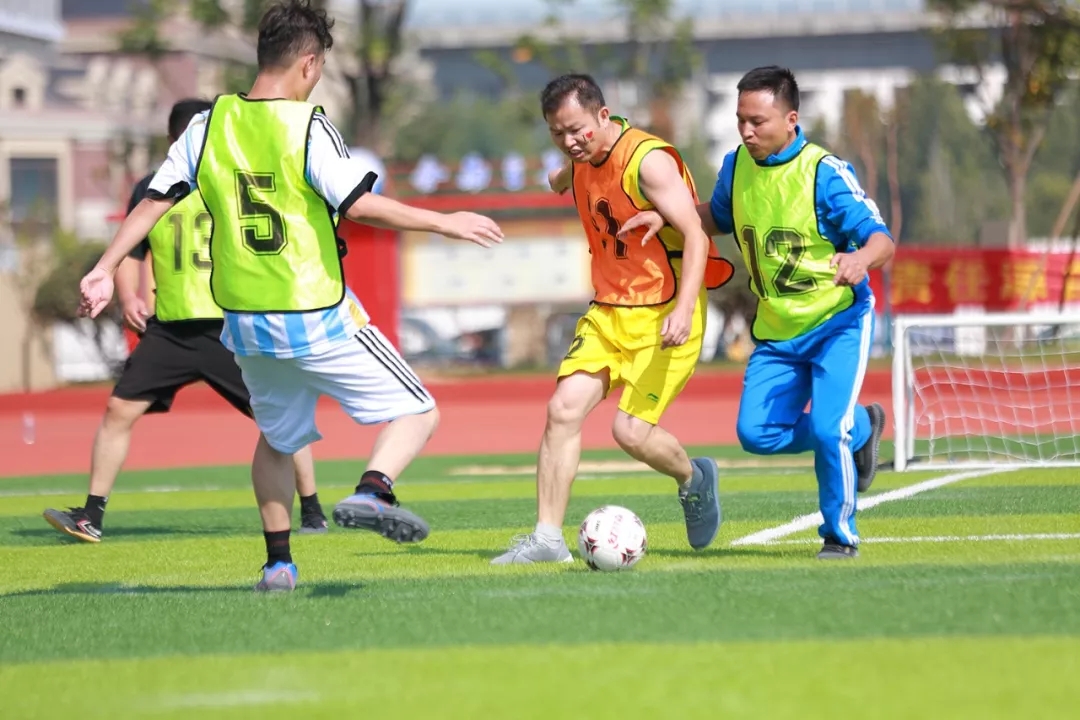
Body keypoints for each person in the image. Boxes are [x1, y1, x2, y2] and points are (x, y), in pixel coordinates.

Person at [76, 0, 503, 591]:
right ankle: (374, 490)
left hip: (245, 325)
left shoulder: (208, 125)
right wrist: (444, 221)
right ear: (309, 63)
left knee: (277, 441)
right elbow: (359, 204)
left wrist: (105, 268)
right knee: (418, 410)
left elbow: (153, 200)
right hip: (314, 314)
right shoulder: (307, 126)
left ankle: (278, 564)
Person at [619, 66, 892, 560]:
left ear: (791, 119)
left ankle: (839, 535)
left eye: (757, 122)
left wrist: (860, 259)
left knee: (828, 430)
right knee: (757, 434)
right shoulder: (737, 165)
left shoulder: (824, 173)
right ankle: (862, 426)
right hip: (777, 332)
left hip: (837, 323)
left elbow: (881, 239)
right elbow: (715, 216)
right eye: (740, 120)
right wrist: (668, 216)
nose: (746, 131)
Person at [44, 98, 328, 545]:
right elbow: (133, 250)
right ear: (177, 139)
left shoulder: (230, 174)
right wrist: (129, 295)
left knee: (277, 415)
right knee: (119, 409)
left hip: (227, 325)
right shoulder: (151, 187)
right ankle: (91, 515)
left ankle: (312, 510)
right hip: (171, 327)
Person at [492, 73, 735, 565]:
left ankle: (693, 478)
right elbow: (562, 176)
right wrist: (561, 175)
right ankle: (547, 540)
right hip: (608, 311)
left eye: (576, 129)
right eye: (557, 133)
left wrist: (684, 309)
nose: (569, 141)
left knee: (630, 433)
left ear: (603, 115)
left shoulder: (648, 162)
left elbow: (696, 235)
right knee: (562, 410)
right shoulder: (580, 158)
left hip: (666, 312)